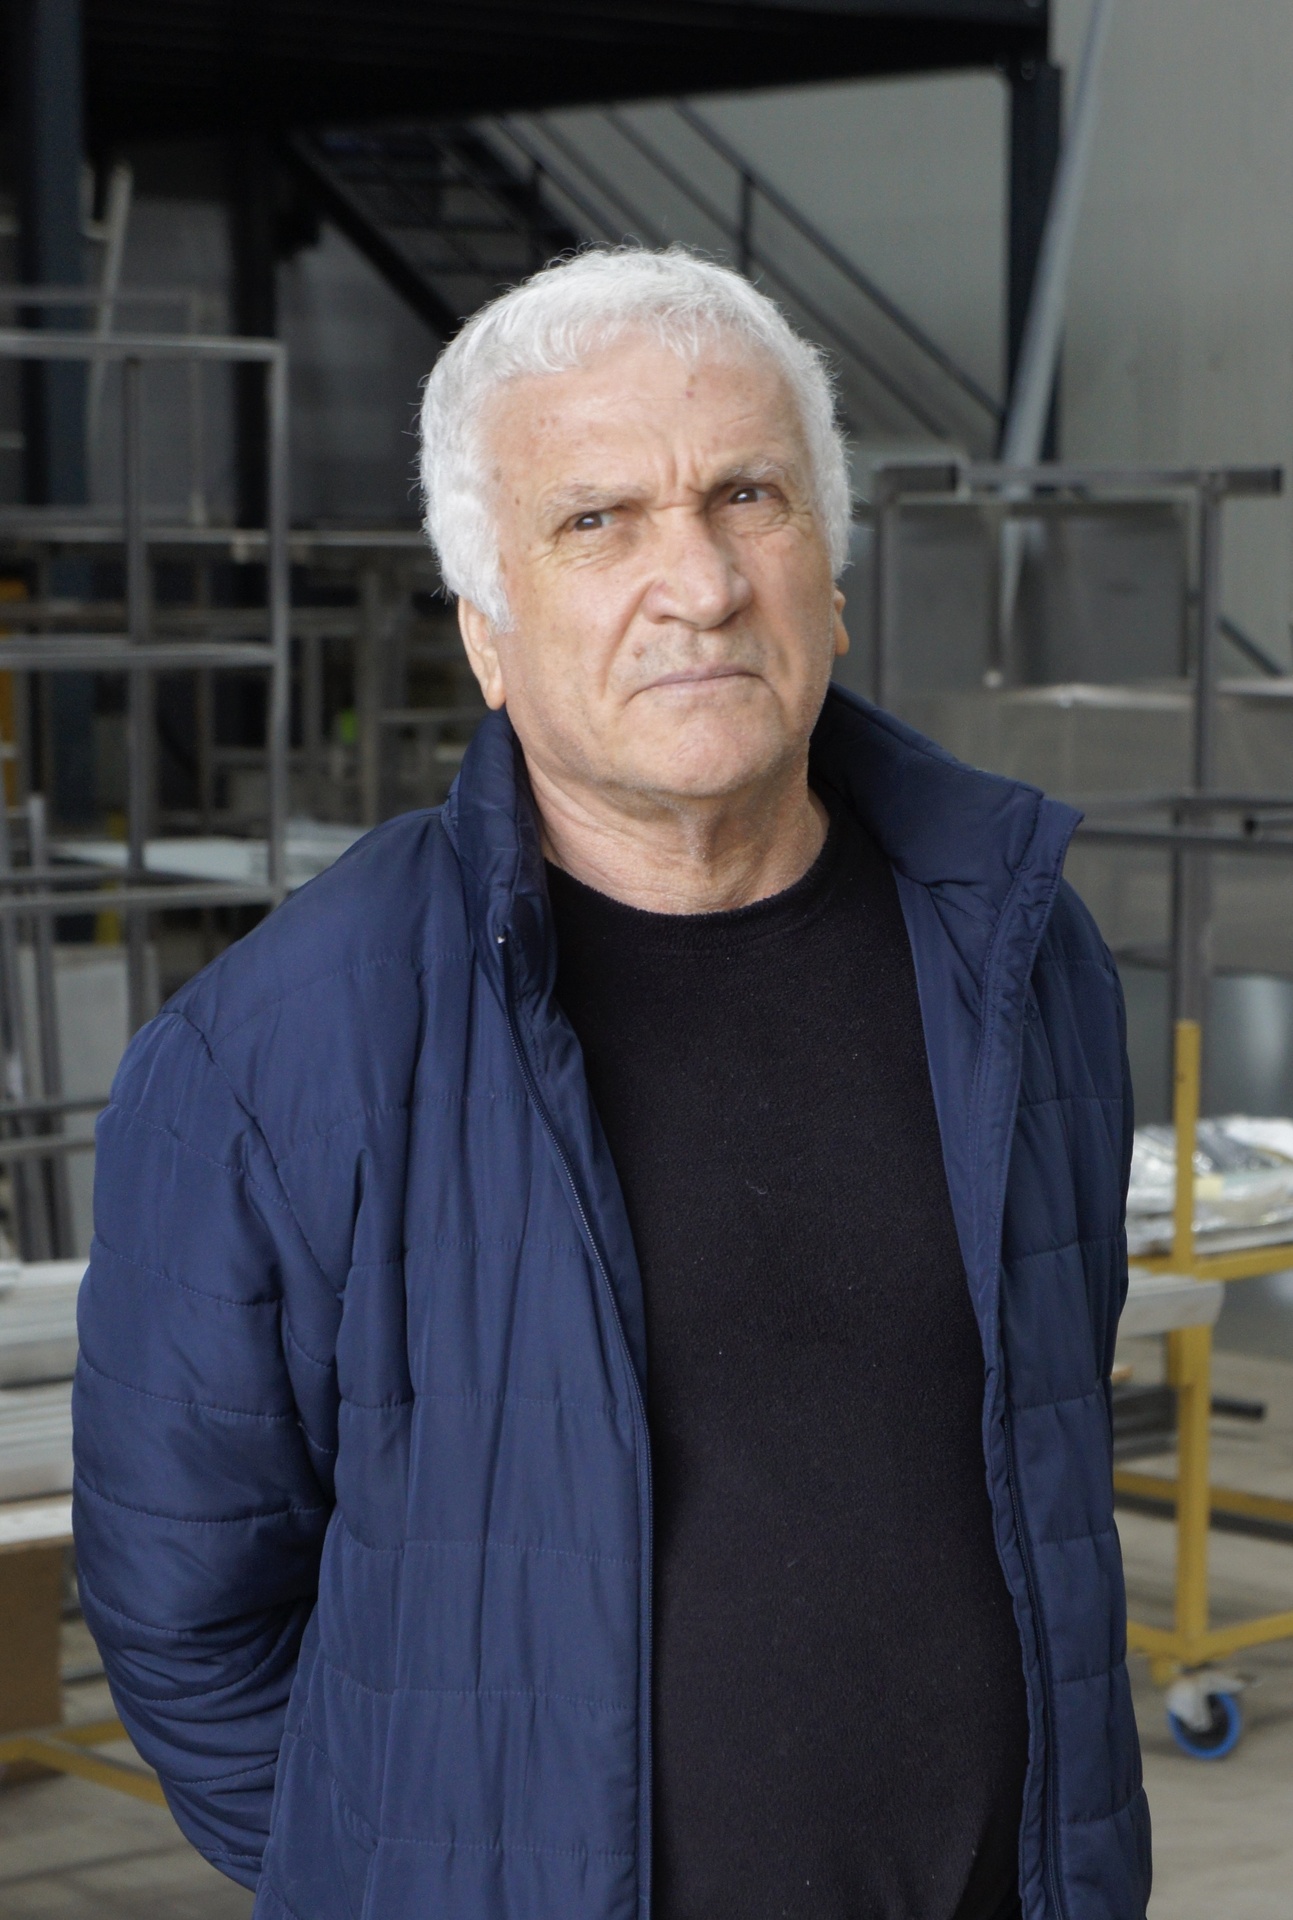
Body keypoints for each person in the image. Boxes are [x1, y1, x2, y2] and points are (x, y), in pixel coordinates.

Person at [73, 247, 1149, 1920]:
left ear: (830, 576)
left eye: (747, 497)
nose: (699, 584)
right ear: (486, 634)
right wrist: (440, 1868)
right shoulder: (277, 1055)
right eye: (597, 520)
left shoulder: (1017, 958)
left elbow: (1042, 1447)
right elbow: (184, 1618)